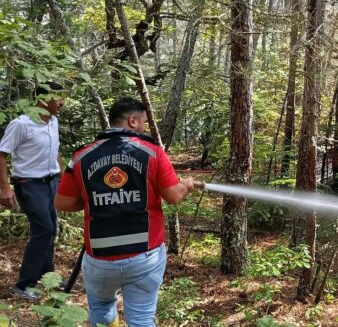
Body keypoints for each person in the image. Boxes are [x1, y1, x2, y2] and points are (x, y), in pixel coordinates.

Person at [55, 98, 194, 327]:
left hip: (100, 258)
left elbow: (63, 203)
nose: (145, 127)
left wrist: (93, 200)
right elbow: (173, 196)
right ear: (132, 120)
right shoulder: (152, 152)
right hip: (144, 256)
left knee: (101, 309)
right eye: (144, 122)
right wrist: (186, 185)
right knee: (141, 318)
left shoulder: (81, 156)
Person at [0, 82, 65, 301]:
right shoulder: (22, 124)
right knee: (44, 230)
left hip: (51, 182)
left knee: (51, 228)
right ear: (42, 100)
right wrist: (4, 188)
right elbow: (2, 155)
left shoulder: (53, 121)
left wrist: (62, 177)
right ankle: (24, 284)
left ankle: (49, 277)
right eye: (57, 98)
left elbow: (55, 151)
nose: (61, 103)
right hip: (29, 184)